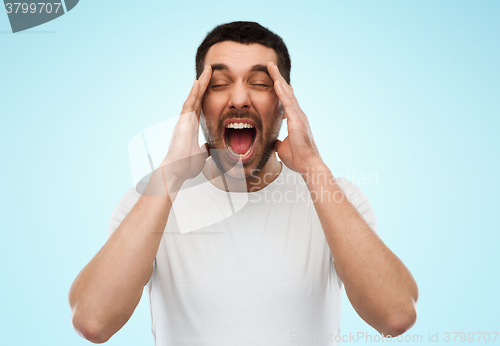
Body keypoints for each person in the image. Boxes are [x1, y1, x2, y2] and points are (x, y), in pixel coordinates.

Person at [68, 21, 418, 345]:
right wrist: (170, 173)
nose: (238, 98)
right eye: (219, 84)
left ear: (284, 104)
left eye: (261, 83)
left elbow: (395, 316)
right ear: (200, 105)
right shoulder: (153, 198)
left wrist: (313, 167)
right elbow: (94, 322)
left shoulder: (334, 196)